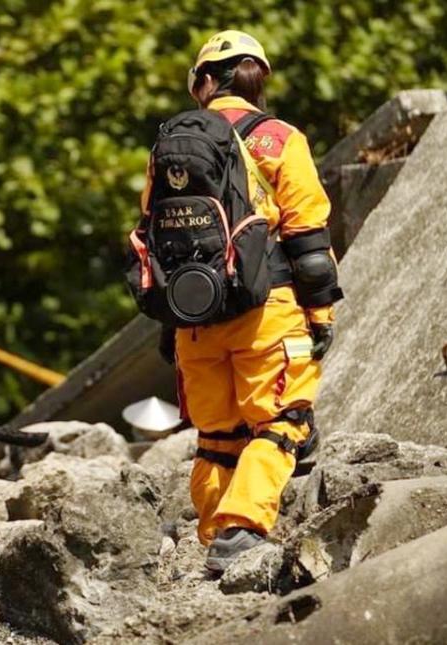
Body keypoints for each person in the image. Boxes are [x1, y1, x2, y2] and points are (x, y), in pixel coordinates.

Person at [139, 31, 342, 572]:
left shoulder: (170, 145)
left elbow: (156, 238)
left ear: (204, 82)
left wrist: (170, 324)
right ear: (256, 79)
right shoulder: (280, 138)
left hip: (194, 319)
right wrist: (320, 314)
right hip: (265, 310)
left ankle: (214, 536)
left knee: (218, 435)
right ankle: (241, 527)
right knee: (284, 419)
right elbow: (308, 238)